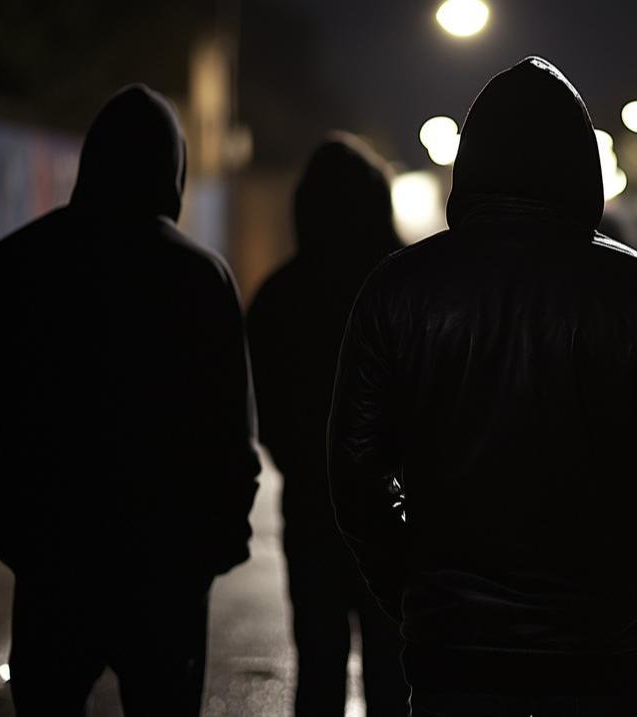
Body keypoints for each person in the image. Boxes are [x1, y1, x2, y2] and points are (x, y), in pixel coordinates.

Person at [328, 56, 637, 716]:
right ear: (580, 168)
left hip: (455, 651)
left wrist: (416, 595)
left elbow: (356, 474)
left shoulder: (400, 290)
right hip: (603, 654)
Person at [0, 84, 261, 715]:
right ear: (174, 171)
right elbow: (230, 430)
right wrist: (217, 541)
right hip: (167, 571)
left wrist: (4, 523)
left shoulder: (22, 260)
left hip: (54, 560)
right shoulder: (200, 276)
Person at [245, 135, 408, 716]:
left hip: (313, 508)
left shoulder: (278, 297)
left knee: (317, 667)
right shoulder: (407, 290)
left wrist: (308, 465)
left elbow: (265, 413)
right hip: (399, 514)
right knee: (397, 673)